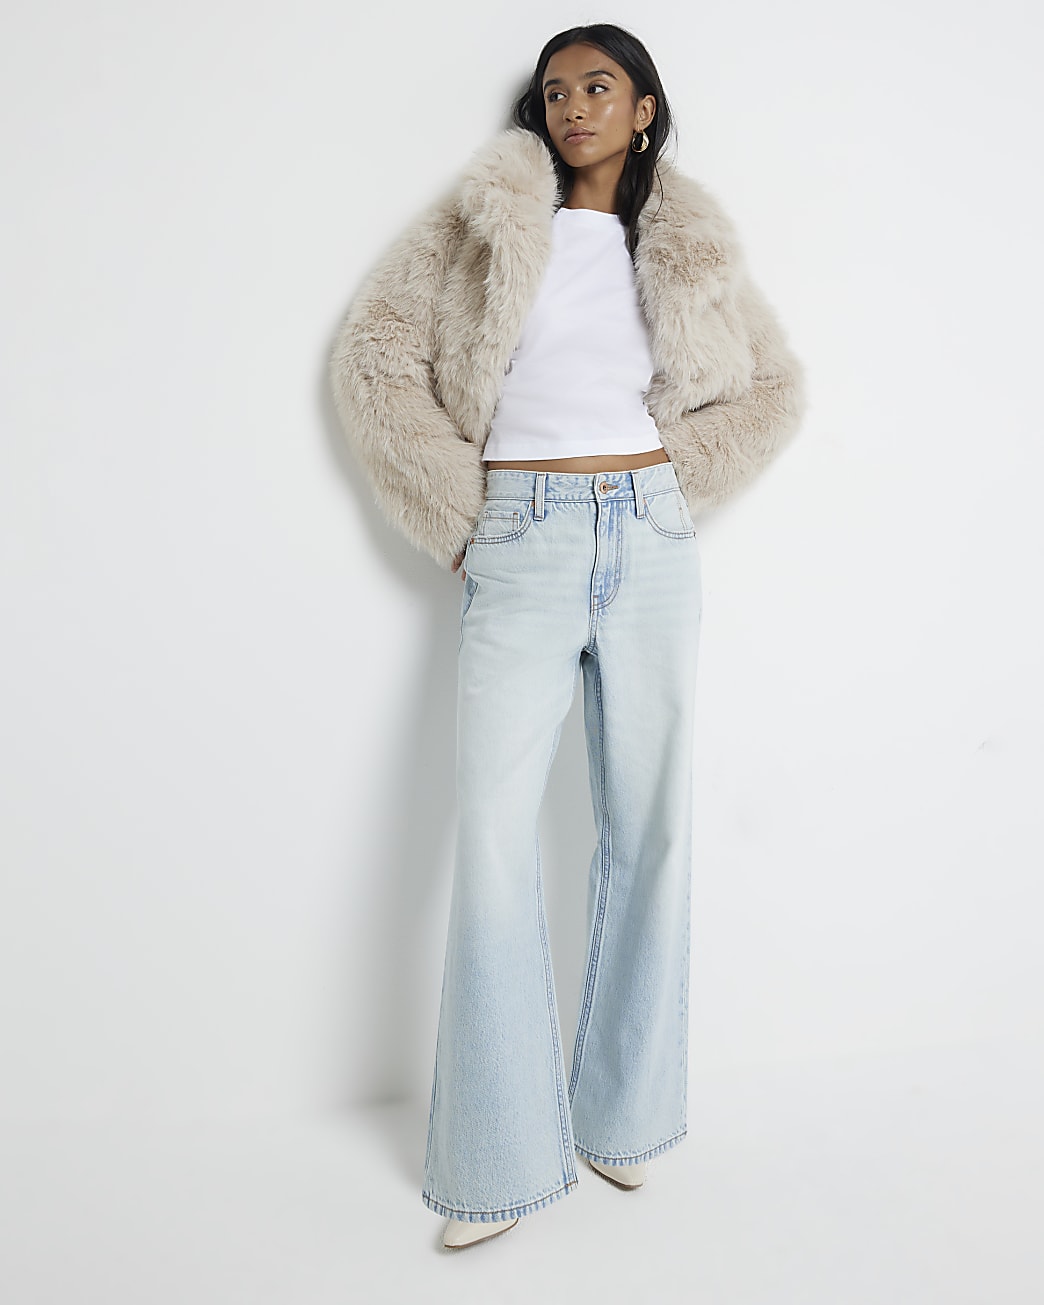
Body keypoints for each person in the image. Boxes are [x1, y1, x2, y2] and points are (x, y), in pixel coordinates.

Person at [329, 23, 806, 1250]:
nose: (574, 106)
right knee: (493, 838)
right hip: (521, 535)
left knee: (651, 828)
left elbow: (775, 386)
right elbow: (374, 359)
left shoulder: (688, 242)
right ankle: (491, 1162)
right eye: (555, 91)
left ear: (643, 109)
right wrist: (460, 518)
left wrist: (673, 479)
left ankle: (624, 1117)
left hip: (649, 536)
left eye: (599, 86)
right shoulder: (482, 222)